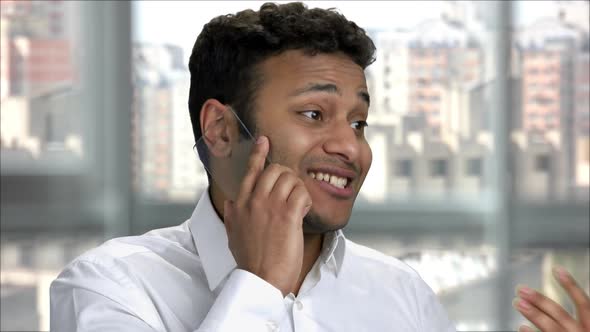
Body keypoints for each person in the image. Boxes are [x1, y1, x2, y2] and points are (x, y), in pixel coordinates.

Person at [50, 2, 589, 332]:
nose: (351, 148)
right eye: (314, 114)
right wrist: (258, 286)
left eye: (359, 122)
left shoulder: (401, 294)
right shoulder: (112, 287)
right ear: (219, 130)